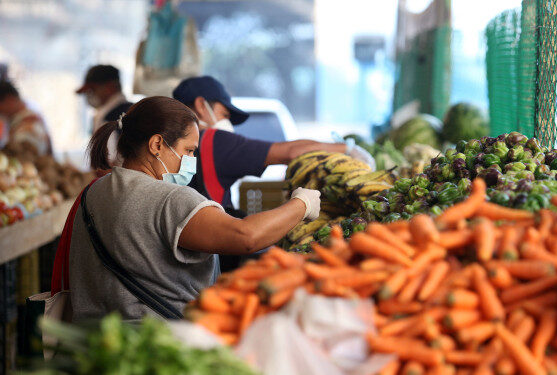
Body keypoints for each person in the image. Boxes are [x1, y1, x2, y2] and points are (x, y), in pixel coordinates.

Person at [69, 96, 320, 321]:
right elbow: (246, 236)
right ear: (156, 145)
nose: (192, 160)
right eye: (188, 150)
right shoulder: (170, 199)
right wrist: (302, 203)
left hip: (92, 343)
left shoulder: (93, 192)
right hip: (160, 345)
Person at [172, 76, 375, 210]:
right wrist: (347, 149)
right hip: (208, 252)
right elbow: (290, 151)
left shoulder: (166, 140)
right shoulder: (213, 142)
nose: (226, 123)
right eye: (224, 114)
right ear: (201, 105)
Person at [76, 65, 133, 133]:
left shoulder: (109, 120)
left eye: (92, 90)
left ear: (109, 87)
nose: (89, 95)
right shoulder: (135, 110)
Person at [0, 80, 52, 155]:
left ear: (9, 100)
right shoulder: (24, 119)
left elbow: (25, 157)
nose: (1, 113)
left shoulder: (28, 123)